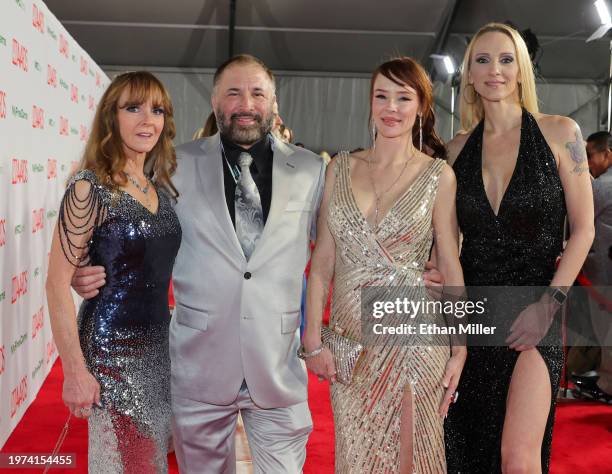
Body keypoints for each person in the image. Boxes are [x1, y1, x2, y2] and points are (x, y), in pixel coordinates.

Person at [72, 54, 326, 473]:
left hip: (278, 368)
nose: (246, 103)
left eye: (257, 93)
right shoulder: (171, 163)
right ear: (214, 101)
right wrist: (90, 265)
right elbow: (134, 223)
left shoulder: (312, 170)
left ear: (273, 102)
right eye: (233, 92)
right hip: (199, 369)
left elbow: (333, 253)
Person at [441, 23, 594, 473]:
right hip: (473, 319)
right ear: (468, 74)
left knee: (518, 456)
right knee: (467, 453)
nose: (495, 71)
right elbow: (446, 242)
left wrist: (549, 305)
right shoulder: (455, 152)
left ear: (522, 69)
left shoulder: (561, 133)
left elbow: (583, 230)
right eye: (482, 61)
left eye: (506, 59)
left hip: (536, 311)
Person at [303, 57, 466, 473]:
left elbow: (450, 265)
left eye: (403, 97)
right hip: (350, 346)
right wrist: (312, 340)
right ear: (370, 102)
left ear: (421, 108)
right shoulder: (339, 167)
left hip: (414, 339)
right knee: (356, 458)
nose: (391, 107)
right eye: (382, 96)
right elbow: (322, 262)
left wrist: (460, 348)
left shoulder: (437, 176)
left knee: (412, 458)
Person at [46, 71, 181, 473]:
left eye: (156, 110)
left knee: (150, 460)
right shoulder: (89, 187)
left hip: (159, 345)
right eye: (133, 108)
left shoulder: (160, 187)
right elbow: (56, 284)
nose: (147, 120)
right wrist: (74, 371)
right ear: (111, 117)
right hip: (112, 351)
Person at [572, 131, 612, 403]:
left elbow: (578, 219)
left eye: (590, 156)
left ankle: (608, 384)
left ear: (607, 154)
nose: (587, 162)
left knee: (606, 331)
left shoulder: (601, 187)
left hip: (603, 275)